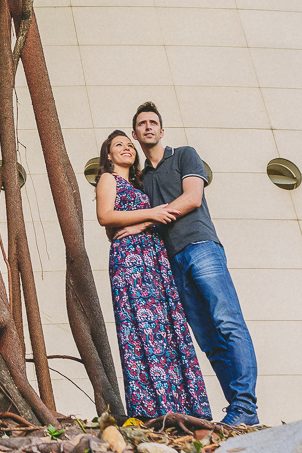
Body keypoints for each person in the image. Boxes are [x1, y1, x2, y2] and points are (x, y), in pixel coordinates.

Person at [122, 101, 260, 426]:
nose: (148, 127)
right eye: (142, 123)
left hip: (201, 247)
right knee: (208, 340)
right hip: (173, 263)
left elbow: (192, 197)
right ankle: (241, 413)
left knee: (229, 323)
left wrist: (146, 220)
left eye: (153, 122)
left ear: (161, 129)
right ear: (135, 133)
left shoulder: (184, 154)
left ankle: (245, 405)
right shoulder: (142, 179)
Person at [95, 130, 212, 421]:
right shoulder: (109, 179)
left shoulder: (142, 183)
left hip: (154, 257)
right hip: (131, 260)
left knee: (166, 329)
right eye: (117, 145)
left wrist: (145, 220)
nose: (125, 148)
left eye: (128, 145)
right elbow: (105, 216)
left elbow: (155, 219)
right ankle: (151, 410)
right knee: (140, 330)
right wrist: (150, 215)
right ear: (108, 155)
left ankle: (183, 408)